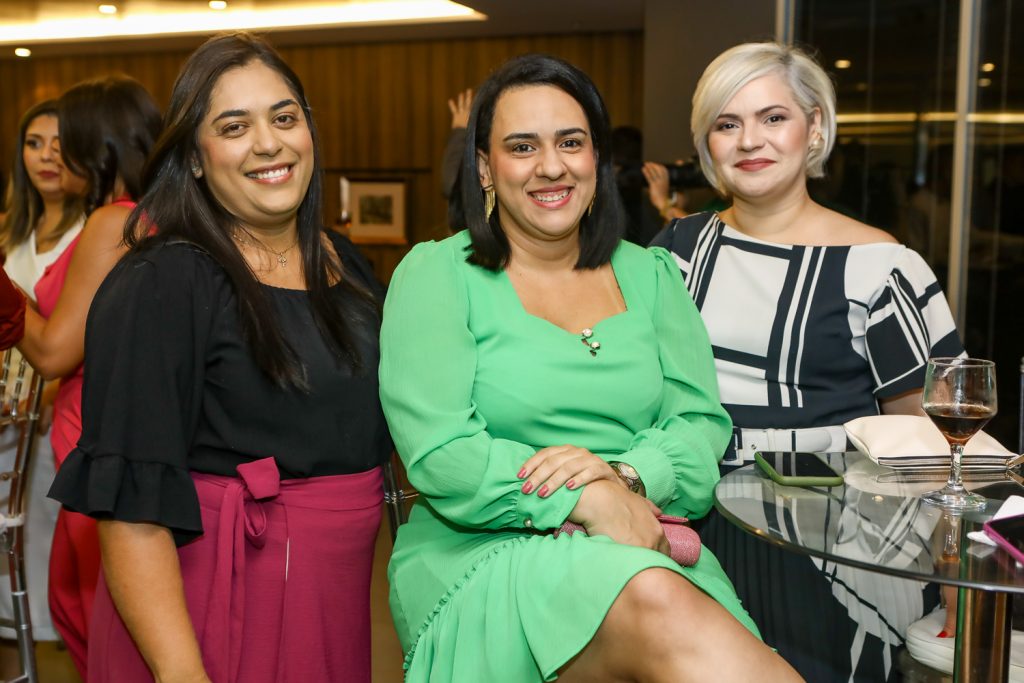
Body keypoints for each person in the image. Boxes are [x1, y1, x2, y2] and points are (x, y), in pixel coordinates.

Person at [379, 53, 802, 682]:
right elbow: (442, 454)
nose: (551, 166)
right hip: (487, 551)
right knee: (653, 599)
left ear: (596, 160)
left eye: (570, 142)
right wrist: (585, 498)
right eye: (522, 146)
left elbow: (699, 426)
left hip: (643, 534)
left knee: (659, 598)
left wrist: (624, 477)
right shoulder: (437, 274)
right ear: (484, 166)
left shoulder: (652, 275)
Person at [48, 32, 390, 683]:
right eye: (234, 126)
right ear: (196, 159)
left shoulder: (348, 264)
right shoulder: (163, 281)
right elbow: (131, 511)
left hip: (338, 600)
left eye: (284, 117)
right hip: (213, 605)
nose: (268, 143)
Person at [650, 42, 965, 682]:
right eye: (726, 123)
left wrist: (955, 575)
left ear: (814, 127)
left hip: (828, 541)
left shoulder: (882, 267)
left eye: (773, 118)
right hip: (687, 525)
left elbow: (937, 443)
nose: (749, 141)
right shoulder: (677, 249)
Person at [0, 76, 161, 678]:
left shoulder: (111, 222)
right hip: (126, 435)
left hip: (88, 436)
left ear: (96, 147)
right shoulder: (160, 215)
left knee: (91, 617)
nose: (54, 152)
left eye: (67, 138)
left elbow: (53, 353)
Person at [0, 100, 84, 652]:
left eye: (59, 143)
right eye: (34, 143)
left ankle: (48, 635)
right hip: (4, 406)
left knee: (44, 528)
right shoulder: (9, 229)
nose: (46, 156)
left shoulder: (94, 230)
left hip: (54, 402)